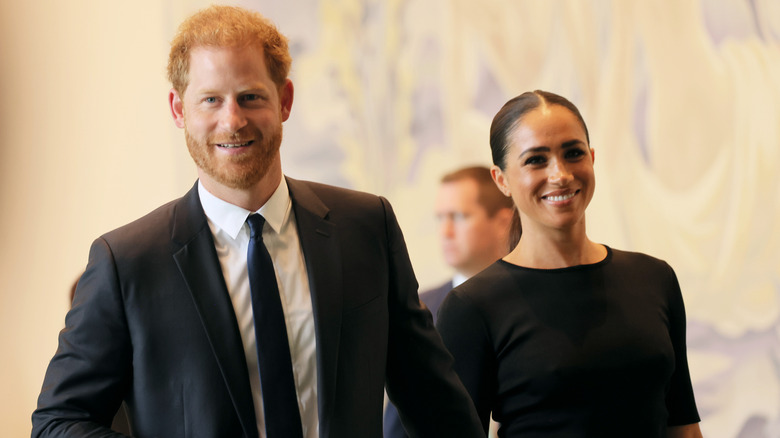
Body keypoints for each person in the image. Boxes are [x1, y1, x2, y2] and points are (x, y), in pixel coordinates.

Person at [31, 6, 485, 438]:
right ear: (178, 110)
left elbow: (435, 404)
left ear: (284, 100)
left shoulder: (366, 227)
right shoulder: (126, 262)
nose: (233, 120)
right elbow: (58, 421)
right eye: (210, 100)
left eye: (250, 97)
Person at [436, 90, 703, 438]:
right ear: (501, 180)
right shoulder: (472, 306)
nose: (560, 174)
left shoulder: (654, 278)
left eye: (573, 153)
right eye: (536, 160)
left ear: (592, 158)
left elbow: (682, 425)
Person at [383, 166, 514, 438]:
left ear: (504, 221)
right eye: (440, 218)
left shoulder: (530, 305)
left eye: (458, 216)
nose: (445, 231)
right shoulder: (417, 308)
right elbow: (398, 423)